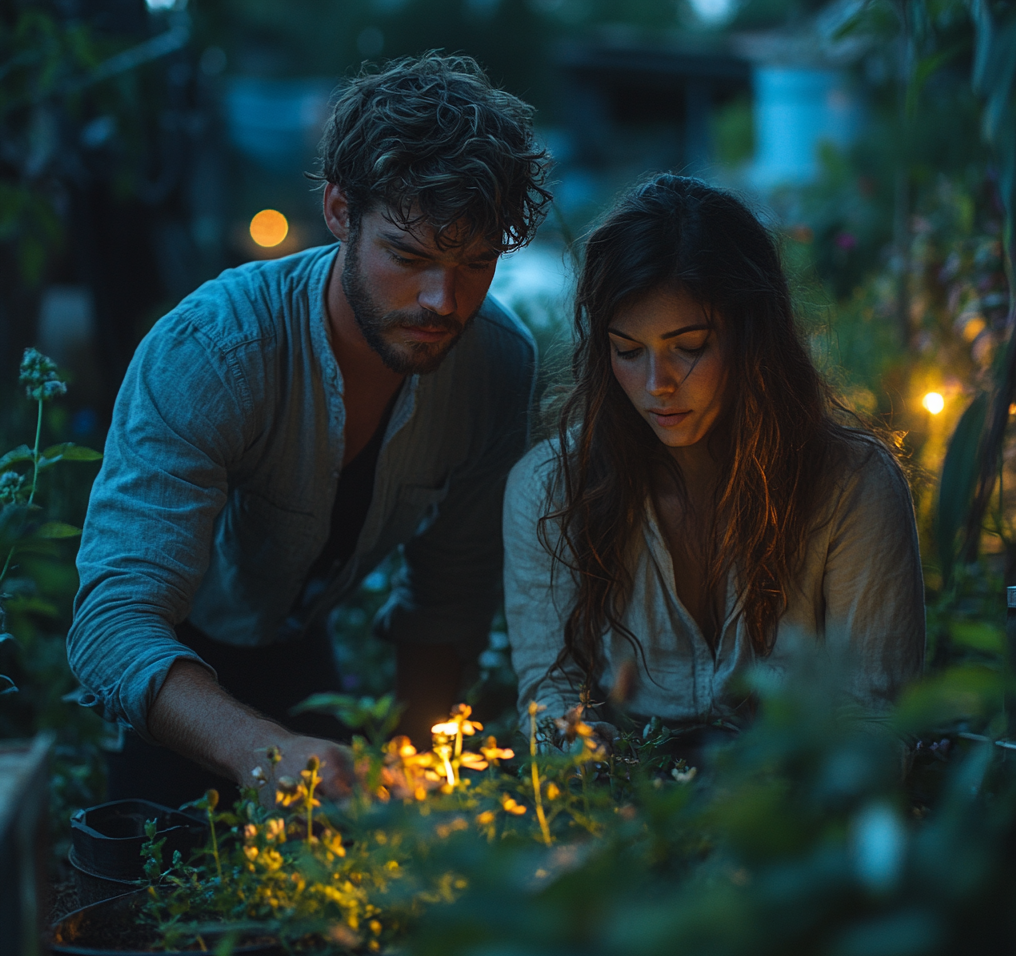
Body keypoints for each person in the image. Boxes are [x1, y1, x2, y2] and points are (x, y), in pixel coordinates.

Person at [67, 54, 552, 809]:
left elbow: (447, 600)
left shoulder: (496, 365)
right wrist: (261, 752)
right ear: (337, 211)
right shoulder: (213, 353)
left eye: (475, 262)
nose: (442, 299)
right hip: (174, 670)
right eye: (409, 254)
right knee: (152, 880)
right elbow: (112, 624)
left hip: (304, 648)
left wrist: (420, 783)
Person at [503, 175, 925, 750]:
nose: (658, 385)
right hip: (629, 810)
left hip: (795, 808)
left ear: (753, 336)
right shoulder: (551, 489)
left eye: (689, 346)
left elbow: (874, 714)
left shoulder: (852, 485)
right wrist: (575, 747)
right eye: (628, 351)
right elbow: (548, 694)